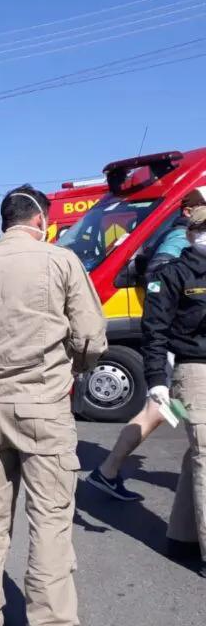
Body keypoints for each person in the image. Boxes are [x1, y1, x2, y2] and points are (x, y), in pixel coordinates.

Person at [0, 184, 111, 626]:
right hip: (42, 405)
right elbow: (90, 338)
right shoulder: (59, 261)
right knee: (50, 521)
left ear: (5, 220)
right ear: (39, 218)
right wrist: (75, 369)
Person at [87, 189, 206, 502]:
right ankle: (108, 470)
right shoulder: (180, 239)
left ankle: (108, 470)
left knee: (166, 414)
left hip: (173, 343)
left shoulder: (179, 236)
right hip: (177, 346)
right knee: (161, 411)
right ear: (192, 212)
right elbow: (162, 281)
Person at [141, 204, 206, 578]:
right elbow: (154, 332)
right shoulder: (172, 275)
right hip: (193, 372)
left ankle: (182, 537)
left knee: (196, 456)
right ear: (192, 232)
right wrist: (157, 381)